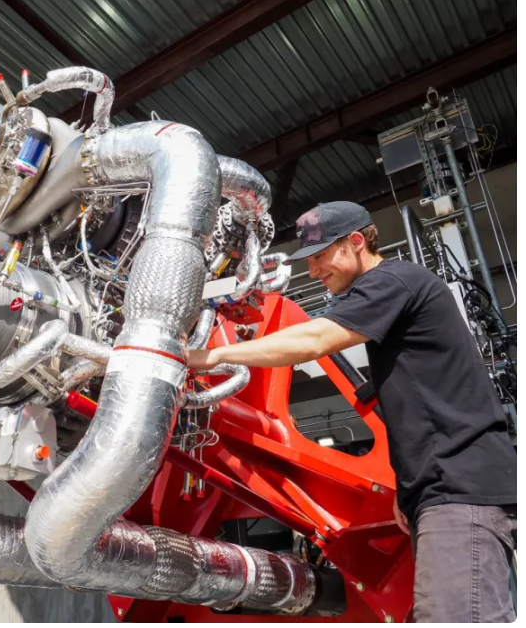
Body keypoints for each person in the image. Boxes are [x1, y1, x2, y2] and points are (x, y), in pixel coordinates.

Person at [188, 201, 516, 622]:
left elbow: (315, 339)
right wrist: (409, 486)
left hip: (461, 491)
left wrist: (212, 356)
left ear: (356, 241)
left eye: (321, 255)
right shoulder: (395, 293)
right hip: (441, 492)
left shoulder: (394, 280)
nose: (313, 271)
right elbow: (420, 405)